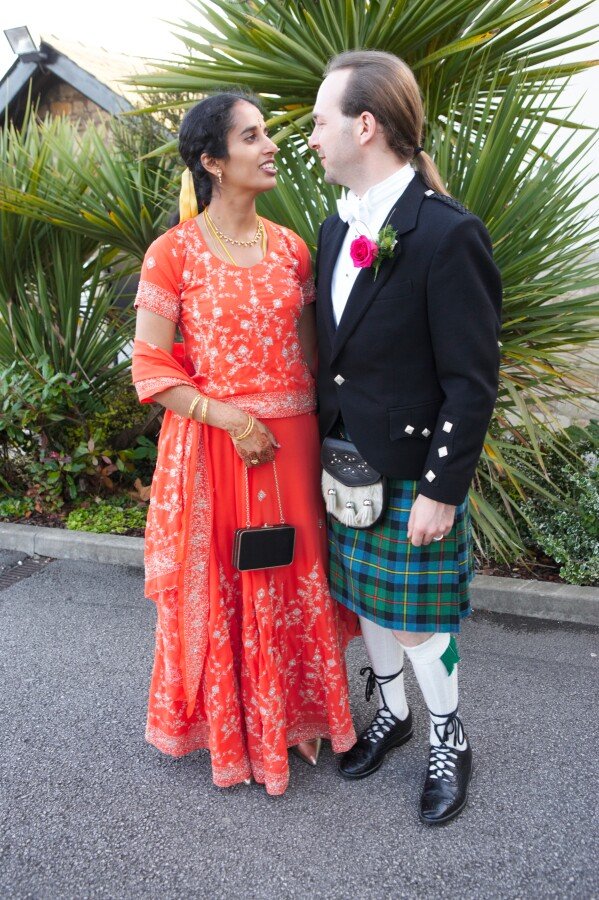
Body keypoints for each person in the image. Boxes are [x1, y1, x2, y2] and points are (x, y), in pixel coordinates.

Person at [132, 92, 357, 796]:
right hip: (218, 450)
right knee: (236, 577)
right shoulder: (173, 253)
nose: (270, 146)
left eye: (267, 134)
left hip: (294, 446)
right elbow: (150, 369)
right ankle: (242, 726)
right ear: (212, 161)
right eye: (252, 136)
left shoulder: (292, 248)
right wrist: (231, 419)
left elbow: (315, 358)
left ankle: (299, 715)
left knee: (296, 573)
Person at [308, 51, 502, 824]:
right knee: (368, 608)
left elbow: (470, 379)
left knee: (417, 621)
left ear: (364, 125)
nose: (310, 138)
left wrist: (440, 489)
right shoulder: (335, 227)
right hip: (344, 464)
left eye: (319, 121)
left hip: (408, 468)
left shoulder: (446, 233)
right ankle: (391, 713)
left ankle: (449, 735)